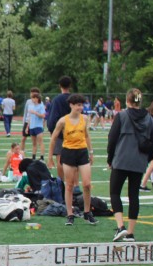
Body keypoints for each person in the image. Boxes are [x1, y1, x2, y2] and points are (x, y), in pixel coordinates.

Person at [106, 89, 152, 242]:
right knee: (134, 195)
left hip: (121, 159)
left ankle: (121, 226)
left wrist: (110, 158)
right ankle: (131, 232)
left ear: (127, 100)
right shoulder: (149, 118)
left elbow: (112, 138)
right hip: (139, 160)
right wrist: (147, 158)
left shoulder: (122, 116)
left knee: (114, 192)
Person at [48, 93, 97, 226]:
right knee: (69, 185)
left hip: (82, 152)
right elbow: (53, 139)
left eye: (82, 105)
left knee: (87, 184)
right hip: (68, 152)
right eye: (78, 105)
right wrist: (50, 157)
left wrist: (91, 152)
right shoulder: (63, 121)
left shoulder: (84, 118)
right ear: (71, 105)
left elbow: (86, 135)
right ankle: (70, 214)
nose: (80, 108)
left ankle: (87, 212)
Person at [45, 76, 74, 179]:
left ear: (60, 86)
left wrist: (52, 130)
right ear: (70, 85)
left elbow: (52, 118)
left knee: (60, 159)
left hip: (60, 133)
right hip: (74, 132)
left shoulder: (57, 100)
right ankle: (73, 183)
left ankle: (61, 182)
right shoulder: (74, 99)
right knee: (73, 160)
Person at [21, 87, 45, 160]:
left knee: (40, 142)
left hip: (38, 126)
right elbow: (29, 117)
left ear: (37, 98)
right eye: (32, 98)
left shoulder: (41, 105)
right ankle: (33, 157)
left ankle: (42, 157)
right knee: (34, 143)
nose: (32, 99)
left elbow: (43, 116)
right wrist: (27, 126)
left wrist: (35, 113)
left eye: (34, 98)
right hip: (31, 126)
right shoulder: (31, 105)